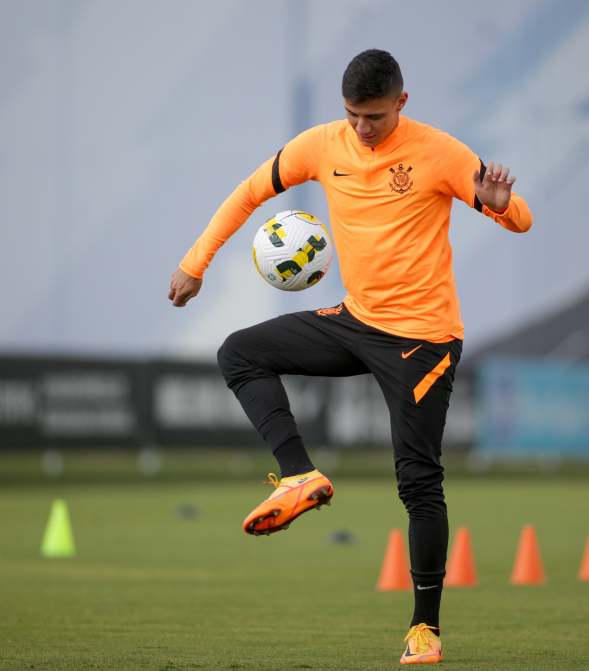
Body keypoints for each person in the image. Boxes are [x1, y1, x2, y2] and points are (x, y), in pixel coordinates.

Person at [169, 49, 532, 665]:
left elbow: (519, 218)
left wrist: (499, 203)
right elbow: (249, 190)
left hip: (423, 340)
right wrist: (193, 263)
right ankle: (300, 474)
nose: (362, 128)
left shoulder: (440, 152)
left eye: (374, 116)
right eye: (352, 115)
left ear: (401, 103)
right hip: (357, 321)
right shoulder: (322, 144)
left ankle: (425, 629)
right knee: (240, 354)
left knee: (418, 483)